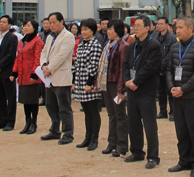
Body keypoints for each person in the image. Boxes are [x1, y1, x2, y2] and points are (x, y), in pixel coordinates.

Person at [166, 16, 194, 177]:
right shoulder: (174, 47)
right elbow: (169, 69)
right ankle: (184, 161)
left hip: (193, 97)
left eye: (181, 28)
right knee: (181, 131)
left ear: (191, 29)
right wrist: (172, 87)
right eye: (176, 28)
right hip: (177, 96)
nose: (177, 31)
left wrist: (183, 89)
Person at [122, 15, 162, 169]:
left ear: (147, 28)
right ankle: (137, 151)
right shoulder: (132, 45)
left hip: (146, 90)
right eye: (134, 26)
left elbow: (151, 67)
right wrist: (127, 81)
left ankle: (153, 156)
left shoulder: (154, 45)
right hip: (132, 90)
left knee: (149, 124)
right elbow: (126, 65)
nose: (135, 28)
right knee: (133, 122)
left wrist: (136, 81)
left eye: (138, 25)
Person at [40, 12, 76, 145]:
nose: (52, 25)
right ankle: (55, 130)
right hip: (49, 77)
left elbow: (62, 55)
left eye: (54, 22)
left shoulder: (68, 36)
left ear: (61, 22)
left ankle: (68, 133)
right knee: (50, 105)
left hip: (61, 76)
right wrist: (43, 65)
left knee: (64, 107)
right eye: (50, 22)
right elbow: (44, 52)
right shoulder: (50, 37)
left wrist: (49, 68)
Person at [71, 18, 103, 151]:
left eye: (86, 29)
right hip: (80, 82)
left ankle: (94, 139)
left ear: (93, 30)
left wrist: (89, 83)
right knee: (86, 112)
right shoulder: (81, 44)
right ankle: (87, 137)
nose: (83, 32)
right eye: (82, 29)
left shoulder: (95, 45)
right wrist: (73, 81)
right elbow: (76, 64)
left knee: (93, 112)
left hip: (90, 84)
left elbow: (94, 66)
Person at [98, 19, 129, 157]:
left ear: (118, 31)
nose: (109, 31)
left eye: (112, 29)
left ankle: (122, 145)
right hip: (106, 82)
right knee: (111, 114)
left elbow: (123, 69)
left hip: (116, 84)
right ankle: (112, 143)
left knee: (120, 115)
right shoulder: (107, 44)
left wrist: (121, 89)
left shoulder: (123, 46)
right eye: (108, 29)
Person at [10, 19, 44, 135]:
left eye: (28, 26)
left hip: (31, 76)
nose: (25, 27)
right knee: (25, 101)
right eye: (24, 25)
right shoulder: (22, 41)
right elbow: (18, 58)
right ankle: (27, 122)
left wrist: (34, 74)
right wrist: (14, 72)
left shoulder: (37, 41)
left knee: (33, 101)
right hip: (22, 75)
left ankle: (34, 123)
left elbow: (37, 58)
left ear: (34, 28)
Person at [0, 15, 19, 131]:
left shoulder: (12, 38)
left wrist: (0, 65)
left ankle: (10, 122)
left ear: (9, 25)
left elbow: (10, 55)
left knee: (10, 98)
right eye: (0, 22)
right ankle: (1, 121)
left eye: (4, 22)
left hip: (7, 71)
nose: (1, 24)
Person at [154, 17, 176, 121]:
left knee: (170, 91)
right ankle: (163, 111)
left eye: (162, 24)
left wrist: (162, 64)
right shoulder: (155, 38)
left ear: (167, 25)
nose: (159, 26)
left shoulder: (172, 38)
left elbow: (170, 54)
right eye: (158, 24)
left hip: (168, 69)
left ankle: (173, 112)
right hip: (158, 70)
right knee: (161, 92)